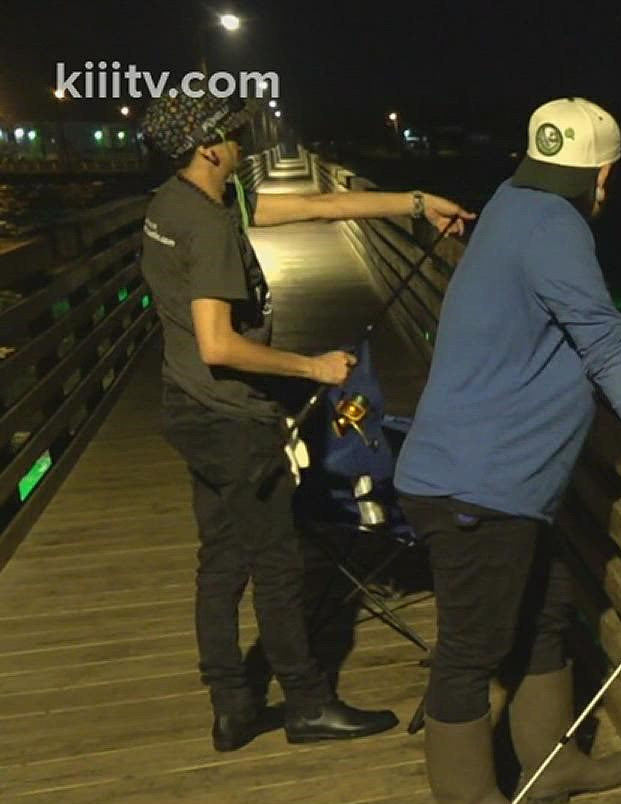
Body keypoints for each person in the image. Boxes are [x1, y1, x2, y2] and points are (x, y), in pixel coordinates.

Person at [396, 97, 621, 804]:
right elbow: (601, 332)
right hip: (478, 482)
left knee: (545, 612)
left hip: (494, 477)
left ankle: (549, 763)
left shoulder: (511, 203)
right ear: (603, 173)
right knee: (472, 647)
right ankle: (467, 802)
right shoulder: (557, 226)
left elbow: (550, 333)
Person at [137, 93, 475, 753]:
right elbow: (218, 345)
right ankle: (306, 704)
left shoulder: (175, 205)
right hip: (230, 418)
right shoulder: (206, 226)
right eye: (233, 135)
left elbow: (320, 205)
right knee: (278, 561)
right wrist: (311, 367)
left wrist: (414, 202)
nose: (244, 143)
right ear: (208, 147)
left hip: (187, 406)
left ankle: (232, 707)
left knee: (221, 558)